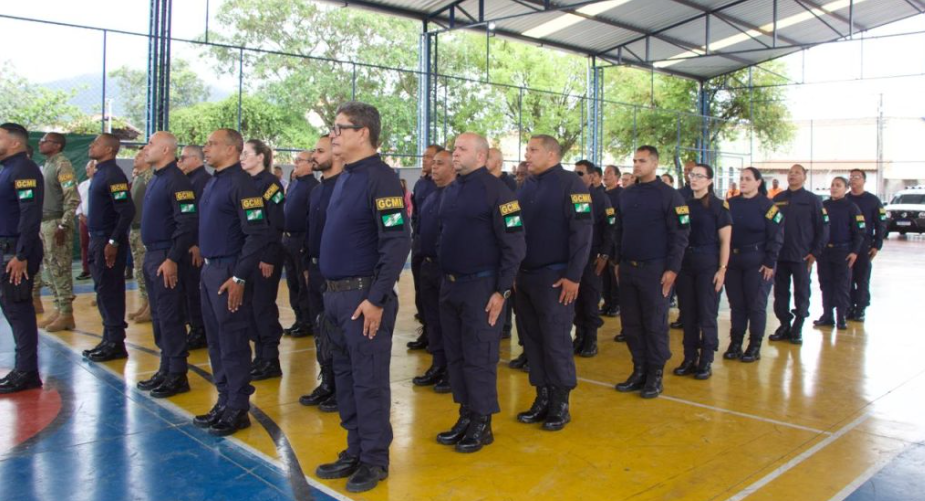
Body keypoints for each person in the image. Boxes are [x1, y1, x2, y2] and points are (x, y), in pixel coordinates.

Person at [313, 102, 411, 493]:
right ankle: (355, 448)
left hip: (362, 297)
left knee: (368, 381)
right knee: (347, 378)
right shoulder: (346, 177)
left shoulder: (381, 179)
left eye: (340, 128)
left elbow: (396, 241)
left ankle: (374, 459)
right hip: (336, 297)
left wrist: (376, 297)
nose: (333, 134)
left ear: (363, 133)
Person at [436, 133, 525, 453]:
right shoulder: (452, 189)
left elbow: (515, 245)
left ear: (480, 156)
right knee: (457, 355)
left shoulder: (499, 192)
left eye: (461, 149)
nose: (454, 153)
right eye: (454, 148)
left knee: (479, 357)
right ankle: (466, 413)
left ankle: (483, 421)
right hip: (451, 285)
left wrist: (501, 290)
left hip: (481, 287)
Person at [192, 128, 269, 437]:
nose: (205, 148)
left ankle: (237, 407)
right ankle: (224, 400)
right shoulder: (215, 182)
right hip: (211, 270)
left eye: (212, 144)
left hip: (229, 272)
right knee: (216, 341)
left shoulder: (242, 185)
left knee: (233, 341)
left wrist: (239, 276)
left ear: (231, 150)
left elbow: (257, 234)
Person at [514, 135, 592, 432]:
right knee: (532, 339)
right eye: (527, 150)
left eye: (533, 150)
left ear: (550, 154)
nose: (527, 155)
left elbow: (582, 234)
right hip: (527, 276)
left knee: (556, 339)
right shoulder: (527, 185)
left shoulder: (572, 184)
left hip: (556, 278)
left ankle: (560, 400)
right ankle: (542, 395)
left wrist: (574, 276)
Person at [613, 146, 690, 399]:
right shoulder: (626, 194)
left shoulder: (671, 196)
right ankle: (639, 370)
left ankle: (655, 374)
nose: (636, 165)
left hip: (656, 270)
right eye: (634, 160)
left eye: (642, 161)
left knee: (655, 324)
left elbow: (680, 236)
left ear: (655, 164)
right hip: (628, 267)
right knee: (632, 324)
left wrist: (672, 269)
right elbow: (619, 231)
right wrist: (616, 262)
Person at [136, 131, 197, 397]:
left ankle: (177, 374)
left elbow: (187, 223)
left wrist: (172, 258)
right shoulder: (157, 178)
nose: (145, 148)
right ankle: (165, 367)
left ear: (165, 151)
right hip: (153, 255)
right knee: (159, 316)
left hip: (166, 256)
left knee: (171, 316)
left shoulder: (177, 181)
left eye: (150, 144)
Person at [672, 164, 731, 380]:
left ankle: (706, 359)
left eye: (699, 176)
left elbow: (725, 241)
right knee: (687, 314)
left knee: (707, 314)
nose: (694, 179)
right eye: (692, 175)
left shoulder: (718, 206)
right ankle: (689, 357)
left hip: (708, 263)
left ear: (709, 180)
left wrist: (722, 269)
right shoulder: (683, 204)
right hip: (685, 263)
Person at [82, 133, 136, 362]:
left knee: (110, 290)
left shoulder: (113, 175)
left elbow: (126, 211)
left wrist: (114, 241)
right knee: (103, 290)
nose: (91, 146)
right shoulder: (100, 173)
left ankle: (115, 342)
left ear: (109, 150)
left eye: (97, 143)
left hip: (107, 240)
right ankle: (108, 338)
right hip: (97, 239)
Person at [0, 123, 45, 394]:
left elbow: (30, 214)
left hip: (16, 252)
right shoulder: (8, 169)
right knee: (11, 308)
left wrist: (21, 254)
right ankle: (23, 368)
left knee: (19, 310)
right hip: (7, 249)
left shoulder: (24, 169)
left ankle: (27, 372)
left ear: (15, 143)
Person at [299, 136, 342, 412]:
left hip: (335, 271)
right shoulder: (317, 190)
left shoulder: (344, 188)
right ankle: (326, 381)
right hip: (314, 268)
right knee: (319, 328)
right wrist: (305, 263)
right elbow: (309, 229)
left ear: (336, 155)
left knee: (337, 332)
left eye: (319, 151)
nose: (314, 155)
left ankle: (340, 387)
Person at [722, 168, 783, 363]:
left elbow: (777, 236)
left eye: (748, 179)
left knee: (756, 305)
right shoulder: (729, 204)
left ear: (758, 182)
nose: (743, 182)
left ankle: (754, 346)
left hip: (757, 262)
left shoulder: (768, 206)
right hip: (733, 261)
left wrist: (770, 262)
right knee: (737, 305)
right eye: (741, 179)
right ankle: (735, 343)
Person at [768, 164, 829, 345]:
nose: (792, 175)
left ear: (804, 177)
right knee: (780, 293)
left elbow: (823, 229)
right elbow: (770, 225)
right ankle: (784, 324)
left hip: (802, 257)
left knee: (802, 292)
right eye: (790, 172)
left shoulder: (813, 200)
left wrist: (815, 253)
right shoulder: (777, 199)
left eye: (797, 173)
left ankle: (798, 325)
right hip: (780, 255)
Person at [411, 149, 455, 394]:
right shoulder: (428, 193)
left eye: (440, 163)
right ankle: (437, 364)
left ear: (453, 167)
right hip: (425, 264)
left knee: (447, 322)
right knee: (432, 319)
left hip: (444, 268)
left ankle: (450, 369)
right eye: (433, 163)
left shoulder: (456, 195)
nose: (434, 167)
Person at [241, 139, 286, 380]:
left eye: (247, 153)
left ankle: (270, 358)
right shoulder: (246, 183)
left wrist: (268, 256)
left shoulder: (271, 185)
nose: (242, 157)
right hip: (249, 257)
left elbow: (276, 223)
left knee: (262, 307)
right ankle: (259, 356)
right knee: (249, 307)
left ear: (261, 157)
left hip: (265, 257)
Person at [34, 132, 80, 332]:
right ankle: (57, 308)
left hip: (56, 223)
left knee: (60, 267)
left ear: (57, 145)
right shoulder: (49, 165)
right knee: (50, 268)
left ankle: (66, 313)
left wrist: (64, 224)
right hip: (44, 222)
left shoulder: (63, 165)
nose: (40, 143)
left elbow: (72, 197)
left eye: (45, 141)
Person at [571, 160, 614, 358]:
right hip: (575, 257)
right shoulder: (573, 196)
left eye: (580, 173)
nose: (576, 177)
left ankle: (591, 339)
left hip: (593, 257)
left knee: (590, 299)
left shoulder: (601, 199)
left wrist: (604, 255)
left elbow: (610, 228)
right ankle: (579, 337)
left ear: (592, 176)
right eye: (574, 173)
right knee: (576, 300)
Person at [814, 177, 864, 330]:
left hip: (843, 252)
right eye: (832, 185)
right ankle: (827, 315)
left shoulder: (852, 207)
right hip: (825, 252)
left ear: (846, 188)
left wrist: (855, 252)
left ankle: (841, 316)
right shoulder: (823, 206)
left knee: (842, 285)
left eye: (838, 185)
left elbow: (860, 231)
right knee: (825, 283)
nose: (834, 188)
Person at [408, 144, 443, 351]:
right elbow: (416, 213)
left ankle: (437, 337)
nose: (425, 160)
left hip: (436, 249)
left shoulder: (445, 186)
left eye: (430, 157)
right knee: (421, 291)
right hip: (420, 244)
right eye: (424, 156)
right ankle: (426, 329)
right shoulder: (421, 184)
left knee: (436, 296)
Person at [282, 149, 319, 338]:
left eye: (299, 160)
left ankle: (307, 321)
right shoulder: (295, 184)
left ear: (311, 164)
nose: (295, 162)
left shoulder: (313, 187)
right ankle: (299, 317)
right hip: (287, 239)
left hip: (300, 240)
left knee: (303, 282)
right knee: (292, 282)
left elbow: (311, 220)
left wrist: (306, 246)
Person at [178, 145, 211, 349]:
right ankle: (194, 326)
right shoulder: (188, 180)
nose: (180, 162)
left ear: (196, 159)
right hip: (186, 245)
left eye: (183, 158)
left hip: (195, 247)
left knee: (194, 289)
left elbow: (202, 217)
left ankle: (200, 330)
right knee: (188, 290)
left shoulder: (202, 181)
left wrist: (198, 244)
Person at [845, 169, 886, 321]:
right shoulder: (845, 199)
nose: (854, 180)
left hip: (864, 245)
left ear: (864, 180)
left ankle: (860, 308)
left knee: (861, 278)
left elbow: (881, 223)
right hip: (846, 245)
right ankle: (847, 306)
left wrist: (877, 244)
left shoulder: (872, 200)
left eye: (857, 177)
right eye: (851, 177)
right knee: (846, 278)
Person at [128, 149, 153, 323]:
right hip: (135, 228)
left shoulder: (150, 177)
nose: (135, 159)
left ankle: (151, 305)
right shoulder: (138, 176)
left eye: (138, 156)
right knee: (139, 269)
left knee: (146, 269)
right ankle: (145, 302)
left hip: (144, 229)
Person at [600, 165, 623, 318]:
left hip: (615, 239)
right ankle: (607, 302)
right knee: (604, 276)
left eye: (609, 173)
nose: (605, 175)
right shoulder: (600, 193)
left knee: (613, 274)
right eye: (605, 172)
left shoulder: (621, 194)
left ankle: (616, 304)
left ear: (617, 177)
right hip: (602, 239)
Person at [75, 160, 96, 281]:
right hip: (84, 219)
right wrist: (81, 215)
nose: (88, 169)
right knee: (85, 245)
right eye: (87, 167)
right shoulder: (83, 185)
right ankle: (86, 269)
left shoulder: (102, 183)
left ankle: (97, 267)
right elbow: (77, 201)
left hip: (97, 220)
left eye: (91, 167)